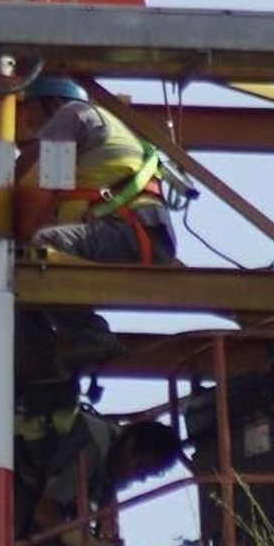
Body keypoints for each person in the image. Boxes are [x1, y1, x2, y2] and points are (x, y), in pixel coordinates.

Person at [16, 75, 178, 378]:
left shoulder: (72, 114)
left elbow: (48, 177)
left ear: (53, 102)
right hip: (137, 235)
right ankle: (43, 374)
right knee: (24, 281)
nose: (26, 119)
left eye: (30, 108)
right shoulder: (97, 132)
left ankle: (90, 337)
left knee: (39, 250)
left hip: (129, 233)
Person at [14, 413, 180, 546]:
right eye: (140, 467)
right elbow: (45, 512)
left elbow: (73, 522)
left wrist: (92, 543)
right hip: (13, 496)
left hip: (36, 518)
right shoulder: (91, 447)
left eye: (145, 475)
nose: (138, 478)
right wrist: (90, 545)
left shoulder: (110, 468)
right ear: (129, 445)